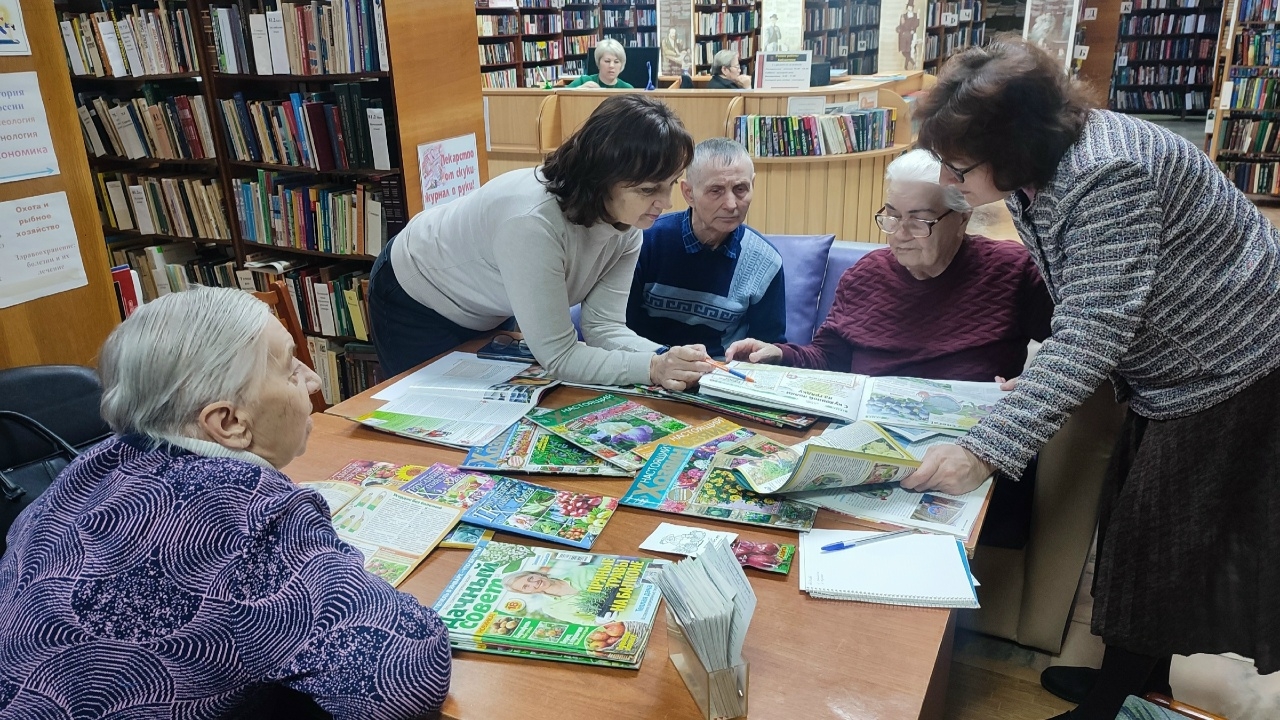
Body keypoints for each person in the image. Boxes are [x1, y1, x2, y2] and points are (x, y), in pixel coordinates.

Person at [906, 36, 1280, 720]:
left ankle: (1115, 701)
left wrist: (985, 449)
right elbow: (1084, 295)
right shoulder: (1037, 168)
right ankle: (1136, 681)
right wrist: (1043, 380)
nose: (949, 180)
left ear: (1014, 147)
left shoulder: (1109, 173)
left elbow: (1094, 328)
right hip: (1175, 361)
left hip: (1231, 360)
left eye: (959, 166)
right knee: (1139, 532)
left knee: (1155, 541)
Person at [0, 287, 452, 720]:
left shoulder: (89, 465)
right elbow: (406, 675)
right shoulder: (251, 515)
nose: (313, 380)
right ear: (229, 422)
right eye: (290, 368)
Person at [726, 148, 1053, 547]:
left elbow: (1073, 341)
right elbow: (829, 357)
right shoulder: (866, 275)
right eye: (892, 215)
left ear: (962, 217)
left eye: (919, 220)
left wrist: (1037, 378)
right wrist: (780, 354)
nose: (899, 233)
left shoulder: (1011, 271)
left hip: (966, 459)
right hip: (869, 458)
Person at [369, 94, 712, 390]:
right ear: (602, 178)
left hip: (487, 305)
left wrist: (668, 359)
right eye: (649, 189)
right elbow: (559, 357)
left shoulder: (629, 225)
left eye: (671, 183)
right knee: (432, 421)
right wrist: (653, 368)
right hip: (416, 296)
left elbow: (603, 327)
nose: (666, 202)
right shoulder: (532, 223)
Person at [628, 138, 786, 359]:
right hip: (647, 365)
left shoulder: (765, 261)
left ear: (753, 185)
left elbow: (768, 345)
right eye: (716, 190)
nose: (731, 204)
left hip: (721, 371)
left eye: (740, 189)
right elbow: (617, 328)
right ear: (688, 193)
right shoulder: (645, 242)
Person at [567, 39, 632, 89]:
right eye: (607, 61)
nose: (611, 66)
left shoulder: (627, 89)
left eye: (616, 62)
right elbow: (562, 94)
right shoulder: (583, 81)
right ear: (598, 62)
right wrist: (579, 90)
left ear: (622, 64)